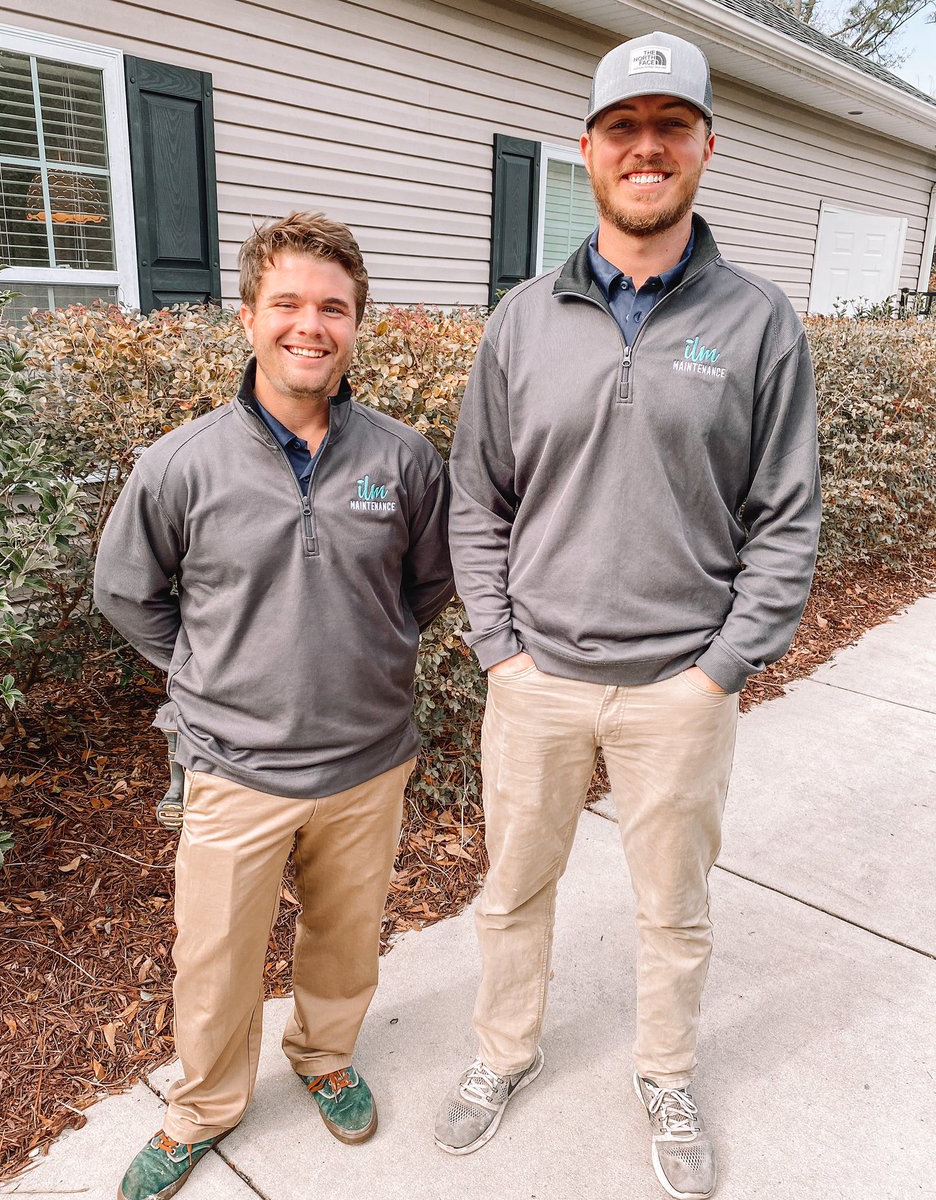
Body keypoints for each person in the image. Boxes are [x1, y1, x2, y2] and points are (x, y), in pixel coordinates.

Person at [435, 31, 820, 1200]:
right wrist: (499, 650)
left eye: (669, 127)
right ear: (590, 149)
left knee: (674, 908)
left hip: (679, 692)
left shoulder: (759, 324)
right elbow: (475, 499)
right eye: (622, 127)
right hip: (537, 678)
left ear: (705, 144)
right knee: (512, 891)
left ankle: (665, 1072)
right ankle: (503, 1052)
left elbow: (787, 517)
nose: (644, 148)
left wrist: (722, 671)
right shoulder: (521, 319)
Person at [95, 211, 453, 1200]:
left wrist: (364, 658)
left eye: (332, 307)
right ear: (249, 318)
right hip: (231, 767)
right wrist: (213, 670)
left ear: (355, 324)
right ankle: (205, 1106)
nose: (310, 325)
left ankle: (324, 1055)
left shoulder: (406, 461)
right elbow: (126, 591)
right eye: (287, 303)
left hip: (367, 761)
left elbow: (427, 588)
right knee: (212, 958)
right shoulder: (181, 463)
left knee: (345, 937)